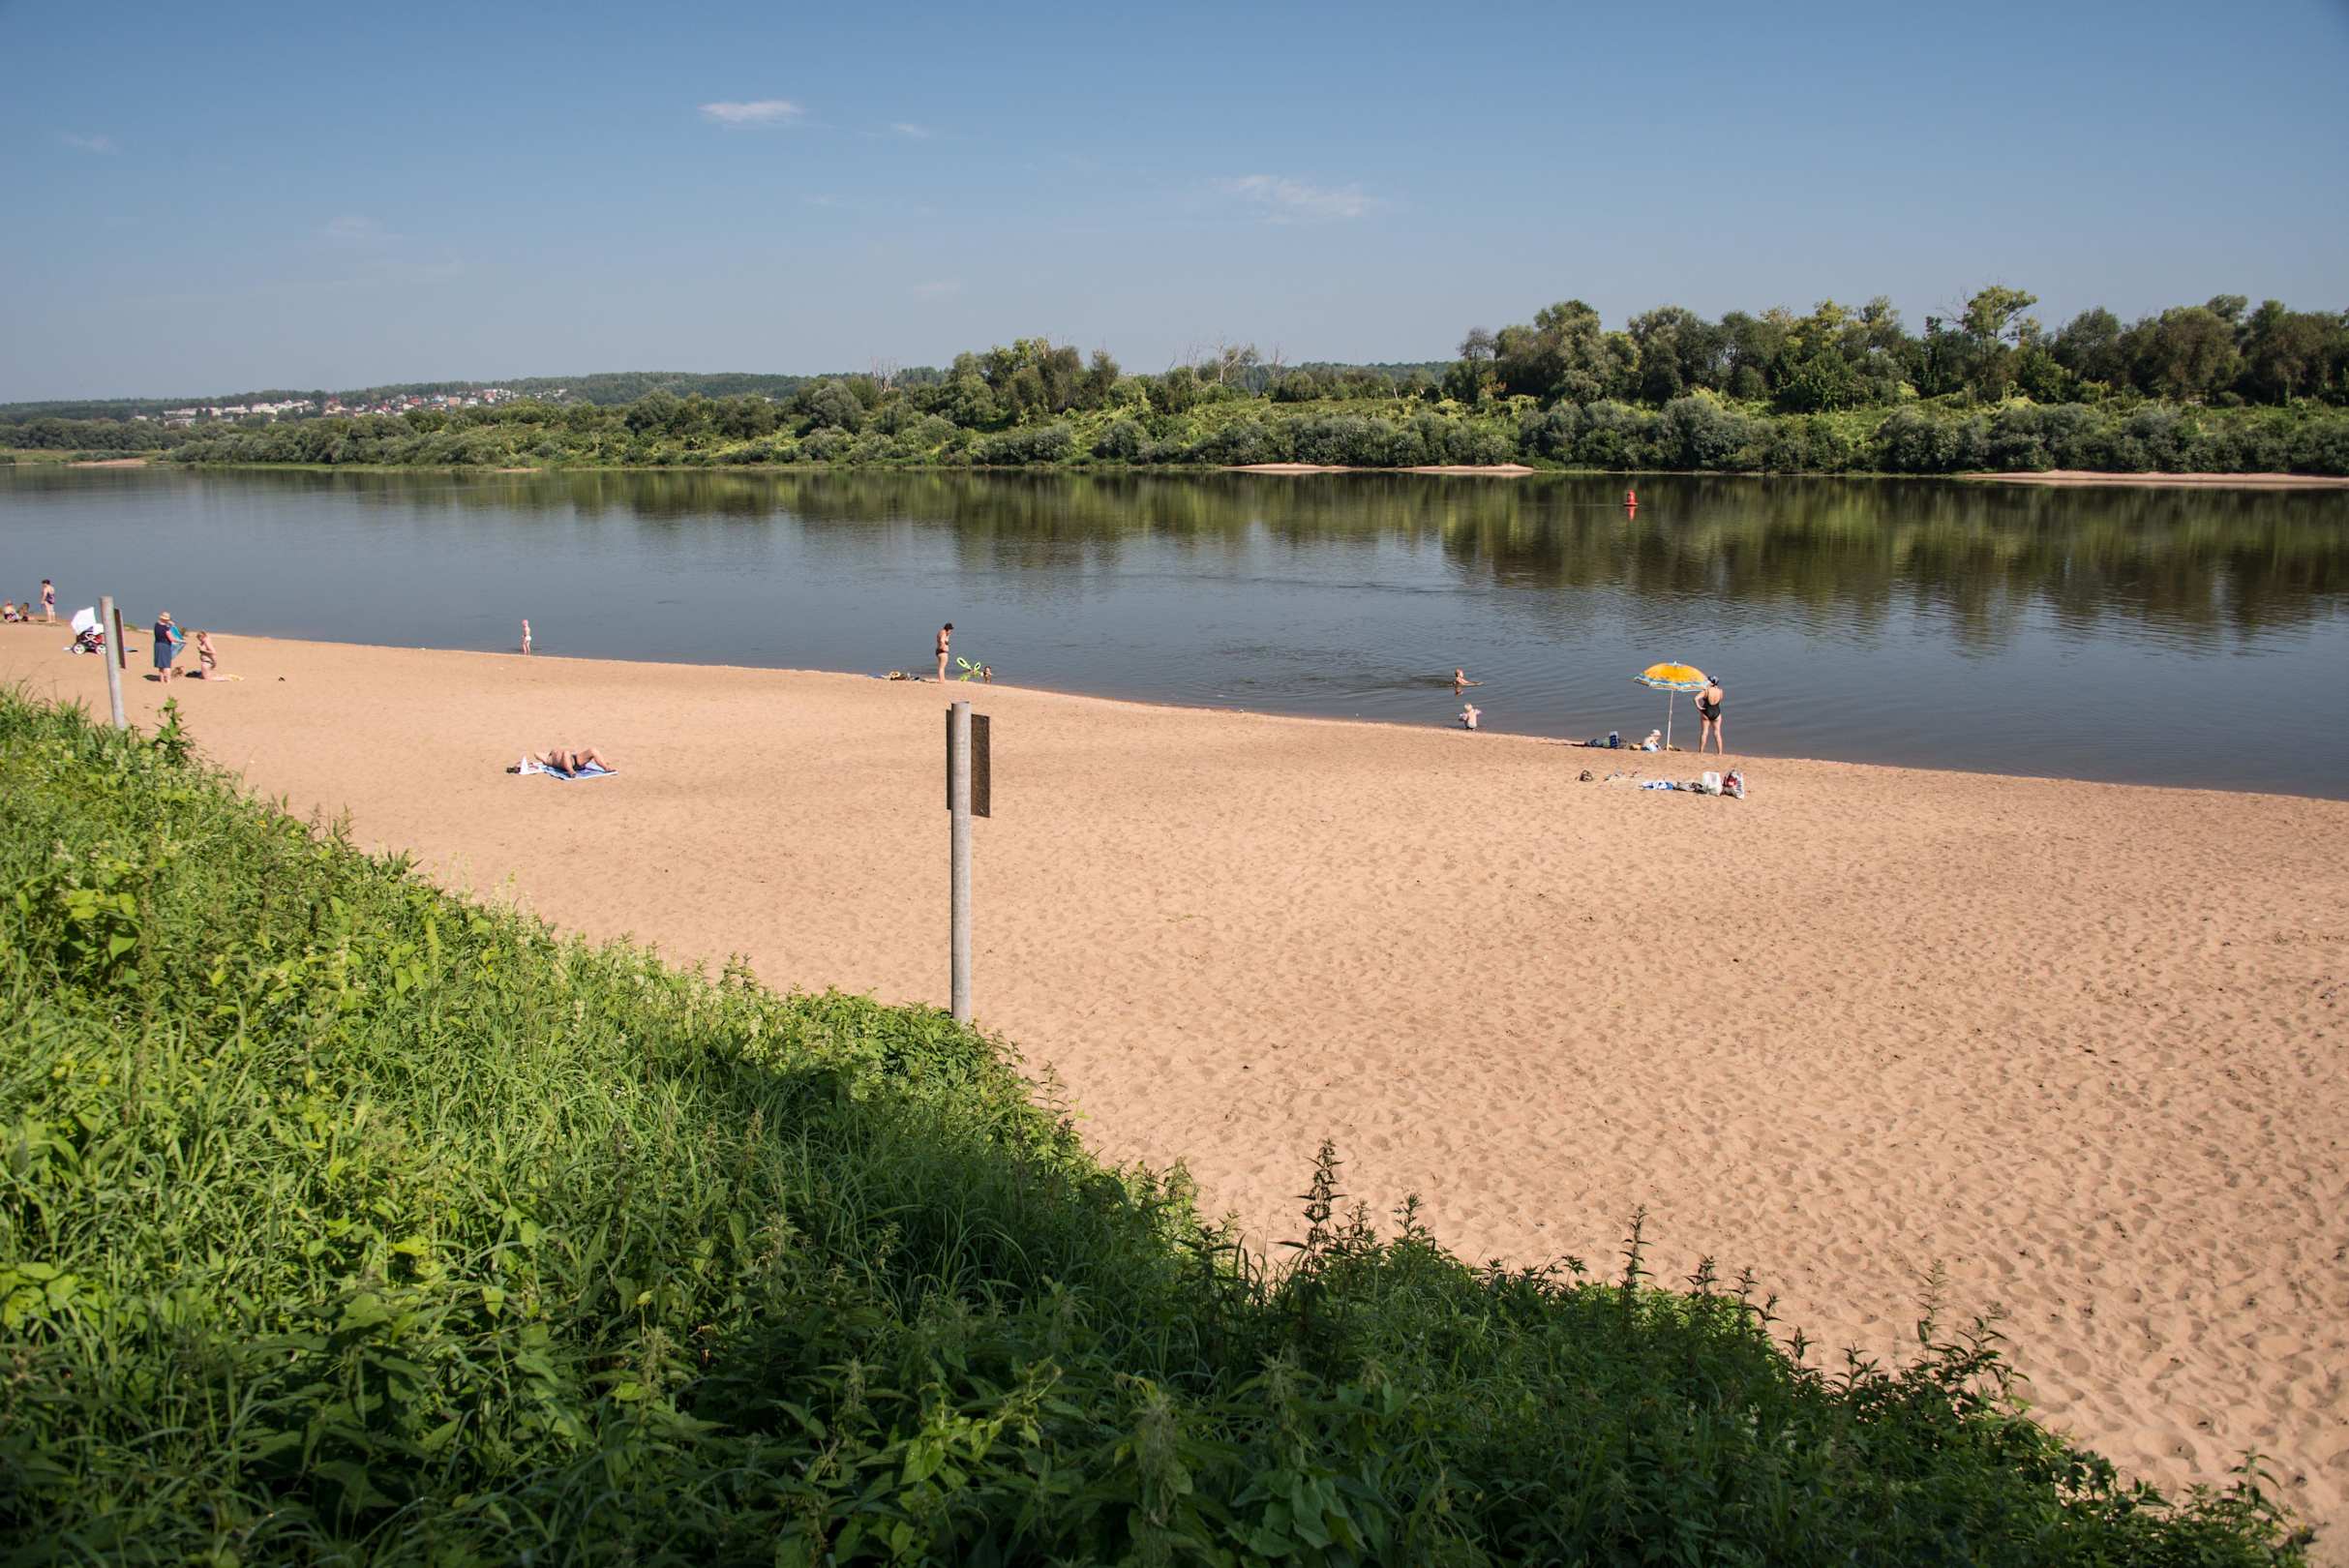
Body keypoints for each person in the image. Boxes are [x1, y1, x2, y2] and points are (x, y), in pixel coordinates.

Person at [524, 745, 611, 776]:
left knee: (593, 750)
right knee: (566, 753)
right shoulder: (547, 759)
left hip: (575, 759)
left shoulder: (553, 755)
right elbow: (536, 754)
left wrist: (552, 752)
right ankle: (571, 772)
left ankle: (606, 768)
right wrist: (549, 754)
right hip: (567, 764)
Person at [1697, 675, 1726, 755]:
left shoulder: (1706, 691)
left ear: (1712, 683)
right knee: (1717, 733)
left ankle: (1701, 752)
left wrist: (1699, 707)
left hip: (1706, 712)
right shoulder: (1720, 691)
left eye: (1708, 681)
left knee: (1704, 732)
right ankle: (1720, 753)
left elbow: (1695, 699)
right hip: (1716, 712)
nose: (1707, 682)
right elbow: (1720, 700)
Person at [152, 612, 184, 681]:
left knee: (160, 665)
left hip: (157, 645)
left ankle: (162, 680)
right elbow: (172, 639)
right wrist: (181, 641)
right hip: (165, 646)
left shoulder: (156, 625)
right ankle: (168, 680)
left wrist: (169, 623)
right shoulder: (166, 628)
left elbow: (161, 623)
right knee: (167, 665)